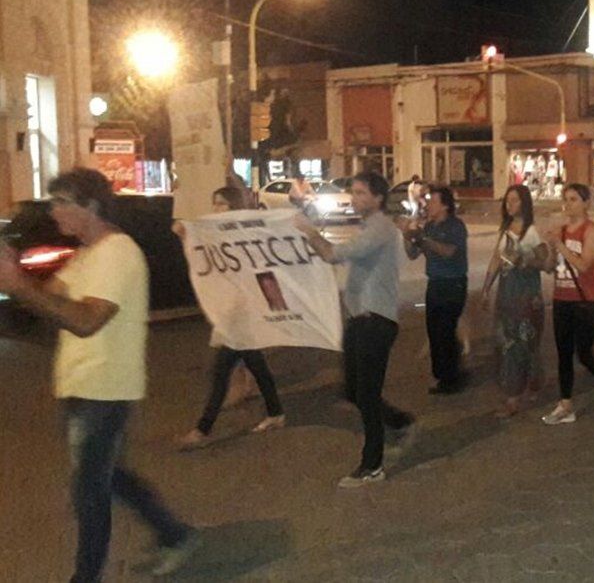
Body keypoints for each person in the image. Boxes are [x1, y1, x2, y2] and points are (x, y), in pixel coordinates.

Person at [0, 168, 196, 579]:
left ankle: (86, 576)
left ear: (89, 206)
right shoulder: (86, 254)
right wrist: (15, 277)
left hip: (105, 390)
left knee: (90, 492)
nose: (53, 212)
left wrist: (19, 286)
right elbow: (49, 298)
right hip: (81, 386)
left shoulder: (117, 252)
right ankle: (176, 534)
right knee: (109, 478)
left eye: (60, 203)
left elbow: (87, 320)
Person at [296, 172, 414, 488]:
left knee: (366, 393)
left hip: (376, 321)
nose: (355, 198)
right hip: (361, 319)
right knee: (352, 390)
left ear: (377, 198)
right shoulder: (368, 228)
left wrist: (308, 230)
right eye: (354, 192)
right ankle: (400, 421)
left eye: (361, 193)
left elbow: (333, 254)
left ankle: (372, 465)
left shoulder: (380, 228)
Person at [176, 187, 285, 450]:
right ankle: (275, 413)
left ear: (234, 206)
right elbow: (203, 258)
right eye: (214, 204)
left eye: (222, 204)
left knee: (221, 371)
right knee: (256, 365)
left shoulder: (244, 231)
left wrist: (274, 303)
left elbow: (263, 268)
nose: (217, 209)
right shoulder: (217, 232)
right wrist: (185, 237)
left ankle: (203, 429)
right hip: (233, 311)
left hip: (242, 311)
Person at [541, 183, 594, 424]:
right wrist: (548, 249)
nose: (568, 204)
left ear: (587, 202)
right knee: (563, 353)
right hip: (561, 299)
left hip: (583, 301)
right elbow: (549, 267)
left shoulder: (591, 230)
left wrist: (559, 245)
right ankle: (565, 404)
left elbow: (585, 264)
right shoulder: (561, 231)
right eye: (566, 199)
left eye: (574, 199)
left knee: (584, 354)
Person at [481, 185, 550, 418]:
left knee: (518, 345)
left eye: (515, 200)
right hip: (507, 294)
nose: (509, 205)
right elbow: (496, 260)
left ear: (525, 203)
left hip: (526, 297)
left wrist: (524, 258)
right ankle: (533, 381)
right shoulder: (505, 229)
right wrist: (486, 288)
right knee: (510, 343)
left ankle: (513, 399)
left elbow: (546, 263)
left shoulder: (532, 232)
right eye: (507, 201)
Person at [400, 184, 470, 395]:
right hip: (436, 283)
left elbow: (448, 251)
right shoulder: (429, 227)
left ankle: (451, 378)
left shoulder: (455, 226)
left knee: (445, 330)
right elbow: (412, 253)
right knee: (434, 330)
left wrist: (422, 238)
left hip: (453, 282)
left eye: (433, 201)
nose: (428, 204)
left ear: (445, 206)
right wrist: (408, 235)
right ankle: (443, 376)